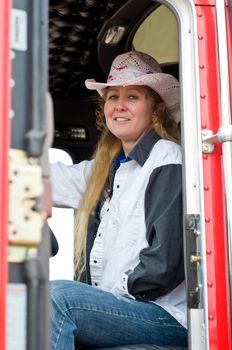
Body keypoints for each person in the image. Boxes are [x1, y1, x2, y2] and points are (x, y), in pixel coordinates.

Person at [50, 51, 187, 349]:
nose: (119, 106)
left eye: (133, 97)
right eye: (113, 97)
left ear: (156, 109)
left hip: (164, 316)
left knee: (57, 298)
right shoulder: (106, 171)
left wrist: (113, 294)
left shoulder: (166, 159)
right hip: (124, 310)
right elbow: (40, 178)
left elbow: (165, 262)